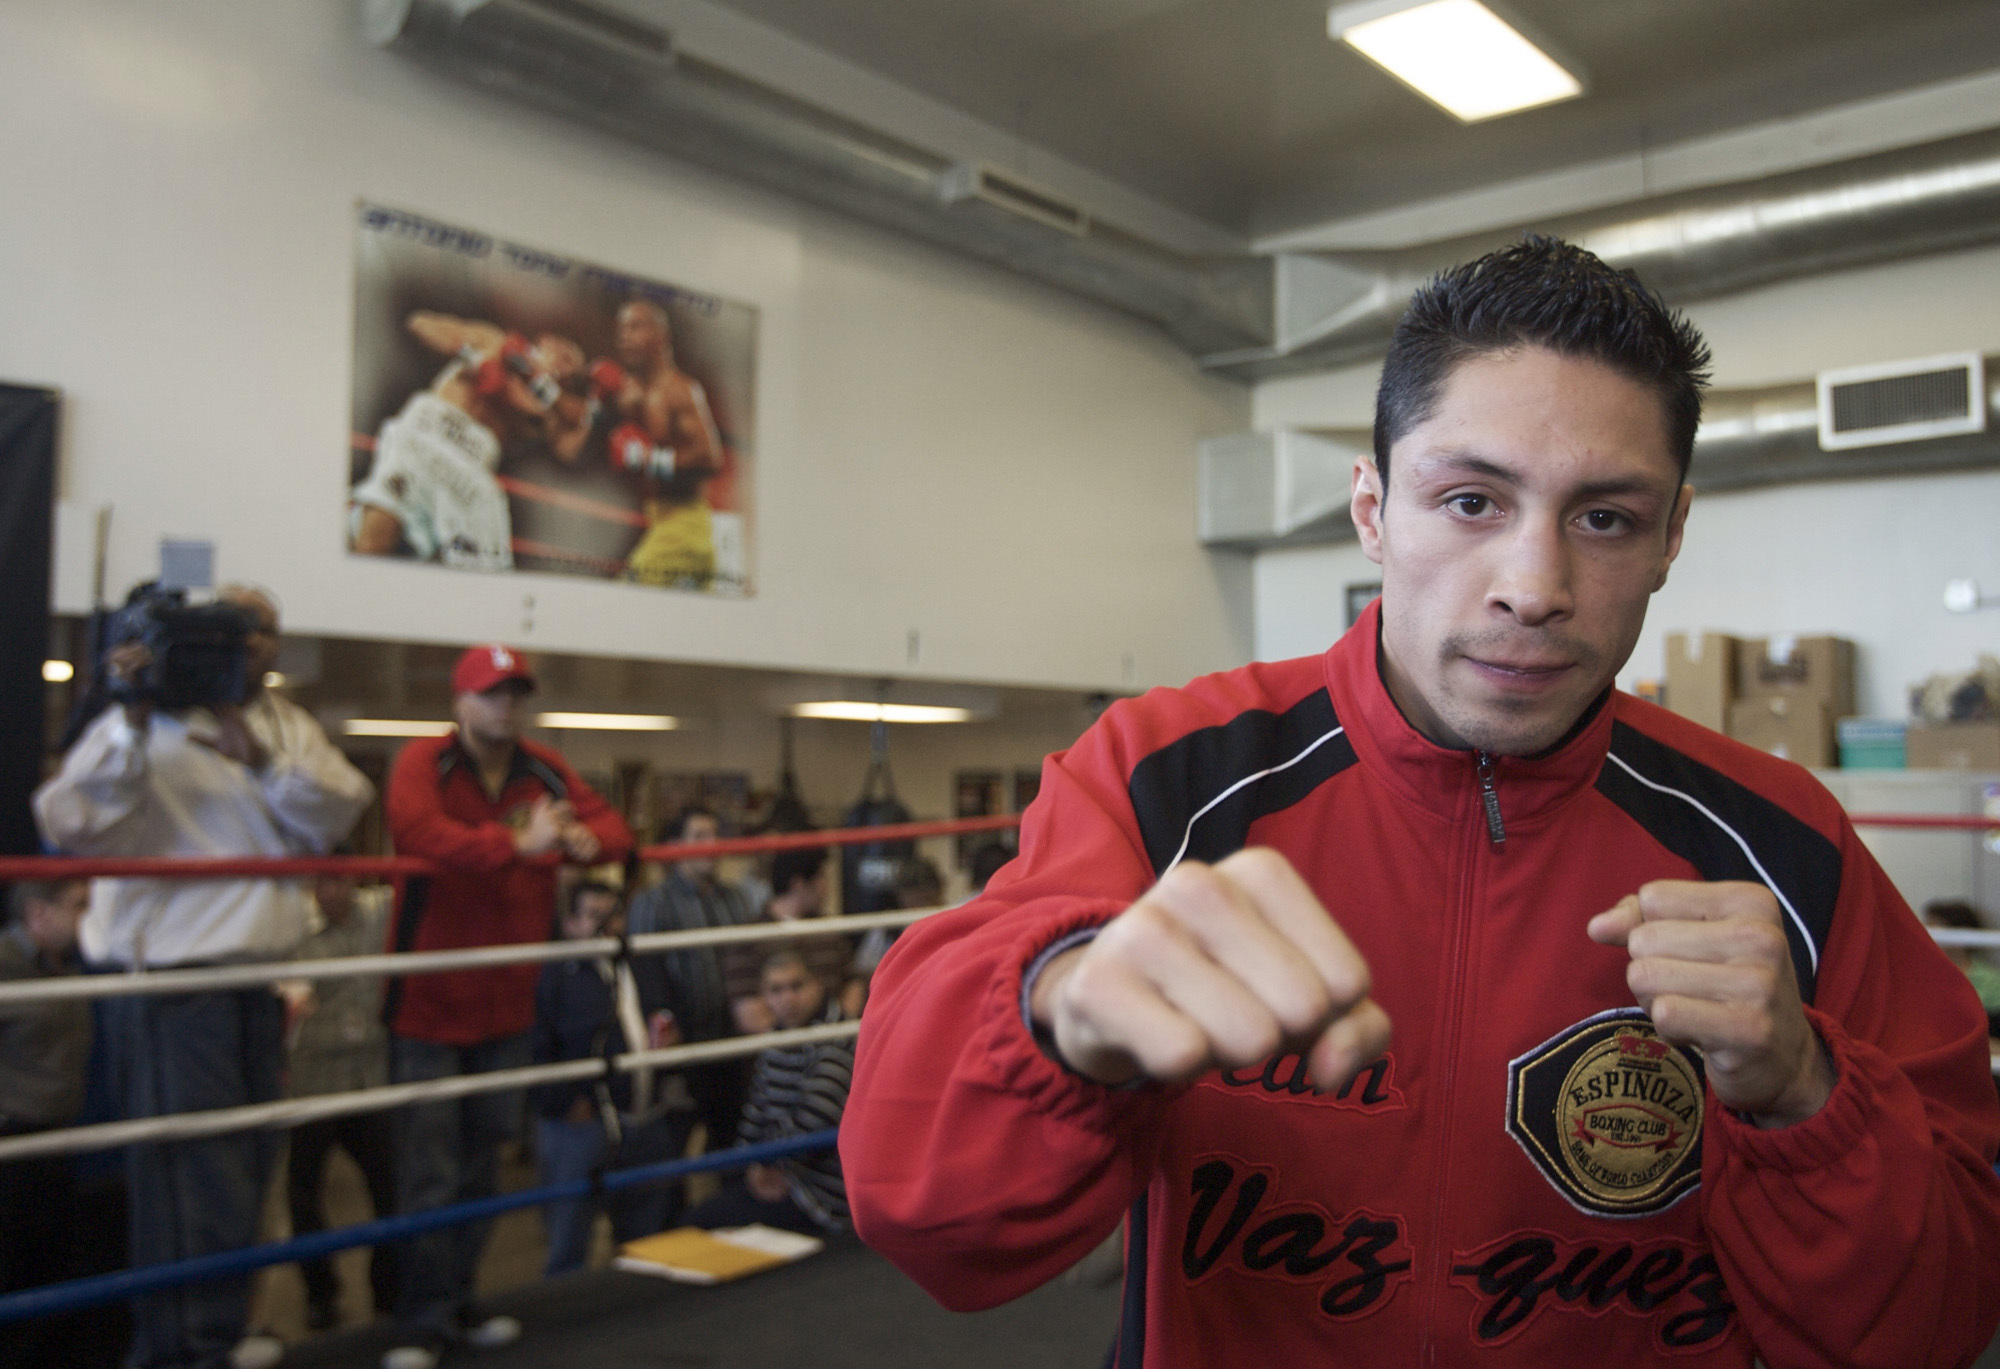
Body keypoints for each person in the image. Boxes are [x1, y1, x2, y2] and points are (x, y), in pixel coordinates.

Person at [839, 237, 2000, 1366]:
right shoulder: (1168, 776)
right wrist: (1061, 1012)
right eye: (1469, 501)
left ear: (1668, 538)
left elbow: (1935, 1320)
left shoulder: (1781, 844)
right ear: (1371, 508)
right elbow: (926, 1219)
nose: (1532, 589)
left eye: (1602, 517)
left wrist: (1804, 1094)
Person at [33, 585, 374, 1369]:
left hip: (257, 981)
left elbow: (340, 808)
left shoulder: (285, 725)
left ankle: (213, 1332)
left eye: (265, 630)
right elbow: (71, 820)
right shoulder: (137, 720)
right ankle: (182, 1349)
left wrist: (262, 762)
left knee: (247, 1172)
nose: (250, 644)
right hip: (173, 985)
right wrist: (131, 712)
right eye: (229, 630)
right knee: (192, 1182)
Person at [379, 644, 631, 1369]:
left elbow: (613, 830)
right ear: (460, 701)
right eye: (491, 693)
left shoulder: (543, 766)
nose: (504, 706)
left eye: (514, 693)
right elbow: (418, 833)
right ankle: (420, 1319)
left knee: (483, 1166)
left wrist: (577, 844)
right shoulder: (423, 762)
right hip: (428, 1001)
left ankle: (458, 1303)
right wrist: (524, 843)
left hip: (507, 1002)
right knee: (428, 1171)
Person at [530, 878, 693, 1276]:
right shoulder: (553, 975)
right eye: (593, 916)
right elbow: (535, 1049)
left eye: (613, 915)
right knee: (570, 1235)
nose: (606, 926)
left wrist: (671, 1040)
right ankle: (565, 1321)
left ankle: (636, 1315)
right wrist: (566, 1104)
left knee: (646, 1232)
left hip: (646, 1114)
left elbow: (672, 1012)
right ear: (571, 924)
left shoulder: (643, 960)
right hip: (582, 1125)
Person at [349, 313, 590, 572]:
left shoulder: (549, 407)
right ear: (546, 342)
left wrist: (536, 379)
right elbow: (421, 324)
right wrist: (474, 358)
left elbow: (573, 436)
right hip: (424, 435)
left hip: (469, 473)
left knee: (483, 576)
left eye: (570, 367)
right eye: (563, 354)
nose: (562, 365)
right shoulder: (495, 343)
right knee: (378, 532)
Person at [281, 873, 397, 1331]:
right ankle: (320, 1293)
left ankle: (388, 1290)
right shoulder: (294, 931)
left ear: (350, 880)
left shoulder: (376, 916)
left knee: (389, 1188)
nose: (327, 891)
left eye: (335, 882)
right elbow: (279, 983)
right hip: (316, 1081)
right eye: (319, 884)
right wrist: (286, 993)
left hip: (370, 1076)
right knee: (302, 1195)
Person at [686, 949, 851, 1237]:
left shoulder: (838, 1035)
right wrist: (752, 1166)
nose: (788, 998)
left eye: (797, 986)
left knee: (701, 1222)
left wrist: (768, 1165)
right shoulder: (777, 1037)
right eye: (776, 989)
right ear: (765, 995)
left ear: (816, 985)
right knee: (700, 1219)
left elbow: (814, 1119)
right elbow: (757, 1107)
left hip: (825, 1195)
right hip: (786, 1174)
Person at [0, 878, 92, 1369]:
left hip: (57, 1135)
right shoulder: (4, 965)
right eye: (78, 905)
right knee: (13, 1264)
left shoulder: (70, 962)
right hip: (12, 1139)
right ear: (38, 913)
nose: (88, 916)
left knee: (51, 1261)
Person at [627, 807, 756, 1151]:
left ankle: (727, 1201)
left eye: (715, 835)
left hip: (730, 1040)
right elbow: (645, 972)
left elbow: (750, 959)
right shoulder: (653, 902)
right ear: (675, 846)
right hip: (682, 1043)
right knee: (673, 1141)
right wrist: (665, 1024)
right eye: (699, 836)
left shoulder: (736, 899)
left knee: (732, 1137)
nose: (711, 844)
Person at [595, 299, 726, 589]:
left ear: (661, 337)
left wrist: (649, 459)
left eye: (635, 327)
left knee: (623, 601)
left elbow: (711, 457)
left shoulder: (679, 390)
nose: (624, 336)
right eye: (621, 329)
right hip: (663, 520)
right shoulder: (632, 390)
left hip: (684, 527)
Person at [722, 847, 860, 1032]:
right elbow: (749, 1013)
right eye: (822, 877)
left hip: (833, 1043)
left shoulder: (829, 931)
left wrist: (838, 1029)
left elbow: (853, 981)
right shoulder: (748, 937)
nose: (826, 887)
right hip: (777, 1051)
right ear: (799, 884)